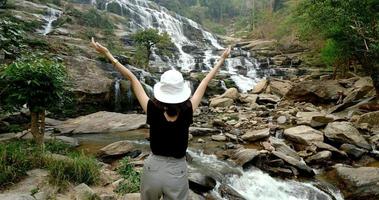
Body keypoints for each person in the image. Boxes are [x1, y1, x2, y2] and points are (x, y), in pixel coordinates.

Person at [91, 37, 231, 200]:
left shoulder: (152, 108)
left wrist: (108, 53)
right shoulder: (188, 110)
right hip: (177, 171)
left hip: (153, 168)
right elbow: (205, 82)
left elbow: (132, 78)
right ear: (181, 91)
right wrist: (222, 59)